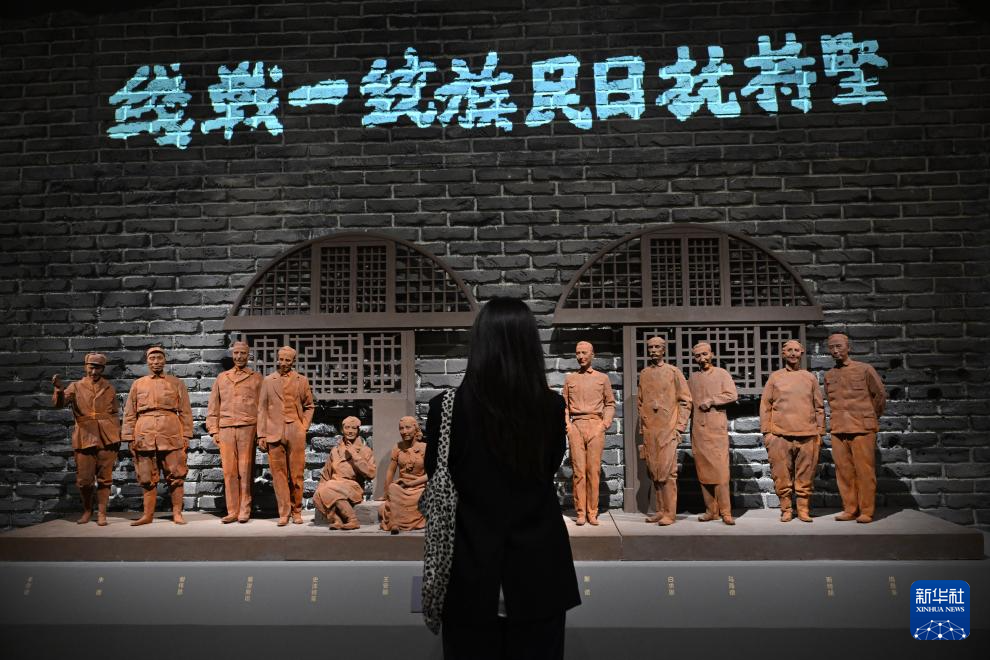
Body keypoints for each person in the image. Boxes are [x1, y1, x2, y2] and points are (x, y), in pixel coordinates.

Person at [425, 297, 580, 660]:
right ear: (530, 346)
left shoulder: (445, 409)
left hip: (469, 569)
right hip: (539, 570)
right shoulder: (551, 408)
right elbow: (548, 469)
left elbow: (436, 473)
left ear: (479, 343)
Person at [122, 346, 193, 526]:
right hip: (144, 434)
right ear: (147, 361)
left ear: (165, 360)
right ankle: (147, 515)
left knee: (176, 475)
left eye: (159, 358)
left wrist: (186, 435)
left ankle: (177, 513)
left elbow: (185, 411)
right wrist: (129, 437)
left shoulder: (176, 383)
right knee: (146, 477)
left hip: (171, 433)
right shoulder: (138, 384)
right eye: (152, 358)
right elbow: (129, 413)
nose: (156, 362)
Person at [51, 352, 120, 526]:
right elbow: (59, 404)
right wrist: (59, 390)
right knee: (84, 481)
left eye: (98, 368)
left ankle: (102, 513)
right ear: (85, 367)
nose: (94, 371)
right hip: (84, 436)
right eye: (91, 367)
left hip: (107, 437)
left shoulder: (109, 387)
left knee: (105, 478)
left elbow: (114, 412)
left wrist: (116, 433)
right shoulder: (75, 386)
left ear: (103, 369)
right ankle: (88, 510)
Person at [759, 339, 825, 523]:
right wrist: (767, 433)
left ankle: (803, 510)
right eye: (789, 350)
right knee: (781, 475)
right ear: (783, 354)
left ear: (802, 352)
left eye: (796, 350)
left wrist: (820, 432)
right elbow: (765, 406)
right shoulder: (775, 377)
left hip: (808, 434)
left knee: (806, 475)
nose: (793, 353)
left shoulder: (809, 378)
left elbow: (819, 407)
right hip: (779, 435)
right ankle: (786, 509)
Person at [825, 333, 886, 523]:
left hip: (862, 428)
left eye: (839, 346)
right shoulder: (829, 375)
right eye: (831, 347)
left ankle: (866, 510)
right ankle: (850, 509)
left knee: (864, 471)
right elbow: (831, 400)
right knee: (843, 472)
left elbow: (880, 395)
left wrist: (869, 416)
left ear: (848, 347)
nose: (835, 350)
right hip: (839, 428)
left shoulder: (864, 369)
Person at [205, 341, 263, 523]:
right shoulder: (222, 378)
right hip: (226, 428)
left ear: (248, 355)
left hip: (248, 427)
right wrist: (214, 430)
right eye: (236, 353)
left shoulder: (256, 378)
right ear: (232, 355)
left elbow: (263, 408)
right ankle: (232, 510)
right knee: (229, 471)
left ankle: (245, 508)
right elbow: (213, 406)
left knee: (245, 470)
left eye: (243, 353)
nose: (239, 357)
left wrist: (261, 433)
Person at [257, 345, 315, 526]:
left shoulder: (301, 380)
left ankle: (297, 511)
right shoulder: (268, 381)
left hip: (295, 431)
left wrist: (303, 427)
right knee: (278, 475)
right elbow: (262, 409)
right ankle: (284, 513)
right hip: (274, 432)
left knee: (297, 474)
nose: (283, 363)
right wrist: (261, 435)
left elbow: (309, 406)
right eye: (281, 359)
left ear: (293, 361)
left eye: (287, 360)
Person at [637, 336, 692, 526]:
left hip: (668, 429)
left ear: (663, 349)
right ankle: (660, 510)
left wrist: (679, 427)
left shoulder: (673, 372)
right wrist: (643, 428)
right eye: (650, 347)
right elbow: (641, 402)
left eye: (657, 347)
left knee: (668, 472)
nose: (653, 350)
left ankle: (670, 513)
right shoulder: (644, 373)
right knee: (654, 471)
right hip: (650, 430)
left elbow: (686, 401)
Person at [562, 341, 615, 526]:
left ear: (593, 355)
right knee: (579, 472)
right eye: (578, 353)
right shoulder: (570, 379)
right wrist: (568, 425)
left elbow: (610, 404)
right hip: (576, 426)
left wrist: (604, 424)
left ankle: (592, 512)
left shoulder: (602, 378)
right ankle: (581, 512)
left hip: (595, 425)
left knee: (593, 471)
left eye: (584, 353)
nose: (581, 356)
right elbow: (564, 406)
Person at [687, 342, 738, 525]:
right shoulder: (693, 378)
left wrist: (712, 400)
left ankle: (726, 512)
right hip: (698, 429)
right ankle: (711, 510)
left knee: (721, 471)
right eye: (698, 356)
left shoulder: (722, 374)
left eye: (705, 354)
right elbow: (686, 401)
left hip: (716, 427)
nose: (702, 358)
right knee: (703, 470)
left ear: (712, 354)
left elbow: (732, 395)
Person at [313, 416, 376, 530]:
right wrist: (320, 488)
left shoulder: (365, 451)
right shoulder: (335, 451)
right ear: (342, 430)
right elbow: (326, 474)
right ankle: (336, 520)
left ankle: (352, 519)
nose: (350, 431)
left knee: (330, 486)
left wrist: (355, 455)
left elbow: (371, 474)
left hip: (353, 487)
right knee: (317, 495)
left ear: (358, 430)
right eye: (347, 428)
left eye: (353, 428)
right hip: (334, 485)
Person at [379, 415, 427, 532]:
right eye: (401, 428)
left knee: (420, 497)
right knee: (393, 488)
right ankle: (394, 524)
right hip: (402, 486)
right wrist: (386, 493)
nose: (404, 431)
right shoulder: (397, 448)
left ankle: (399, 521)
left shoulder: (424, 448)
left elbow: (431, 474)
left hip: (419, 487)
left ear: (416, 429)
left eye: (408, 427)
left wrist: (411, 484)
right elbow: (391, 471)